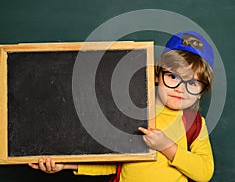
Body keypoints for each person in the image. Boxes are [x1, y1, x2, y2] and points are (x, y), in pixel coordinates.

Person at [29, 30, 215, 182]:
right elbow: (113, 162)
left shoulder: (195, 124)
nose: (180, 89)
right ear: (157, 75)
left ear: (201, 91)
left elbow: (204, 172)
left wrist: (167, 147)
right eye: (173, 77)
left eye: (192, 83)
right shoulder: (132, 112)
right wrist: (66, 164)